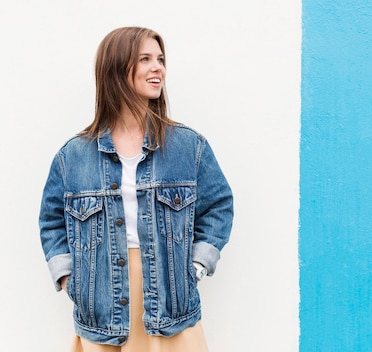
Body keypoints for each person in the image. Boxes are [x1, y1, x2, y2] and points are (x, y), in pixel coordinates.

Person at [39, 27, 234, 351]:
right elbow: (51, 221)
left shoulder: (188, 146)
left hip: (172, 305)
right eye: (145, 59)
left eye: (160, 59)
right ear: (115, 69)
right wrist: (68, 279)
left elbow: (219, 205)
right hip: (100, 308)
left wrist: (197, 266)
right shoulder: (73, 156)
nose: (158, 67)